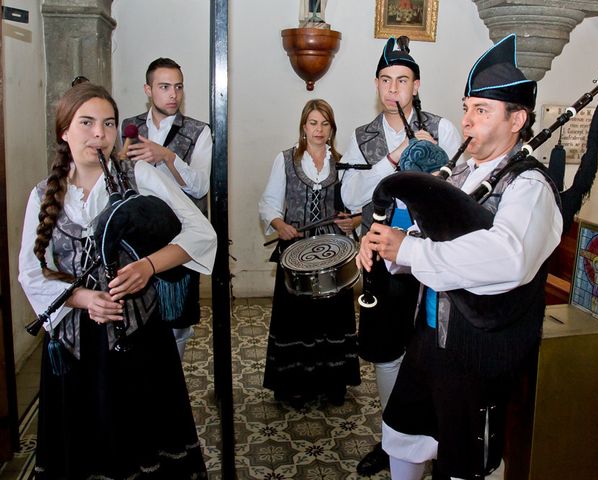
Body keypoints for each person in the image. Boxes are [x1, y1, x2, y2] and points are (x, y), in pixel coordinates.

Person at [356, 34, 563, 479]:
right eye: (466, 108)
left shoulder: (530, 186)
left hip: (478, 352)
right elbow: (431, 233)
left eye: (482, 111)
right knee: (405, 438)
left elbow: (506, 257)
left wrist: (408, 248)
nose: (467, 122)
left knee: (466, 463)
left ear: (517, 120)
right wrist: (390, 245)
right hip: (430, 338)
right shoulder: (464, 173)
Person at [18, 83, 216, 479]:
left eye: (108, 124)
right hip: (76, 346)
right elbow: (31, 270)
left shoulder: (139, 174)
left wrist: (148, 266)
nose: (100, 134)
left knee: (143, 441)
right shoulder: (44, 195)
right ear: (64, 131)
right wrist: (83, 299)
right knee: (87, 444)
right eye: (87, 123)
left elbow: (200, 233)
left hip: (140, 337)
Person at [339, 35, 462, 476]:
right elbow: (351, 195)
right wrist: (393, 158)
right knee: (388, 351)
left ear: (416, 85)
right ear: (377, 85)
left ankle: (433, 435)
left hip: (431, 255)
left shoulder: (443, 127)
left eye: (403, 80)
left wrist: (432, 158)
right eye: (386, 80)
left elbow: (461, 193)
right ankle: (393, 437)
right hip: (384, 262)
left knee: (432, 346)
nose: (394, 89)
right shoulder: (364, 137)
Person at [259, 99, 361, 408]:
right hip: (295, 253)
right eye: (313, 123)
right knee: (297, 318)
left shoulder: (342, 163)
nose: (319, 129)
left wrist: (352, 222)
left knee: (331, 316)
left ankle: (332, 383)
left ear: (332, 129)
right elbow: (269, 203)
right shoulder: (286, 159)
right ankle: (295, 385)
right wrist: (280, 224)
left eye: (325, 124)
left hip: (332, 251)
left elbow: (354, 207)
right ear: (304, 127)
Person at [121, 57, 213, 360]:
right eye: (164, 87)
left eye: (178, 87)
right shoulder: (128, 127)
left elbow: (200, 187)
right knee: (136, 318)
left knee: (177, 323)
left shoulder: (198, 131)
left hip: (180, 238)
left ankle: (172, 386)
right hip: (136, 239)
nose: (173, 94)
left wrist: (168, 157)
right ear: (148, 89)